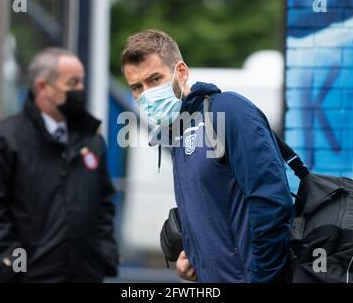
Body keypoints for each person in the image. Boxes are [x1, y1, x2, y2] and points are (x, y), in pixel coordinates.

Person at [121, 30, 294, 282]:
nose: (146, 94)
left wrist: (263, 279)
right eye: (137, 87)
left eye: (154, 79)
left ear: (181, 72)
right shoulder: (176, 133)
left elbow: (272, 203)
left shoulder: (228, 110)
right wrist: (194, 257)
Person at [0, 47, 118, 282]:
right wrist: (14, 263)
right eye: (72, 82)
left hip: (85, 275)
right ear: (42, 87)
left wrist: (104, 253)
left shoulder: (92, 140)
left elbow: (104, 203)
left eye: (82, 81)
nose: (80, 89)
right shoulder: (1, 140)